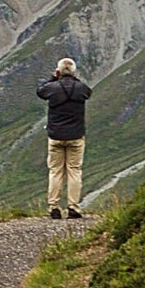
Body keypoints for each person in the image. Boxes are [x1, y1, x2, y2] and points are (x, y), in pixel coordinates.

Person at [36, 57, 92, 219]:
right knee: (74, 171)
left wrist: (54, 78)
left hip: (56, 136)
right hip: (75, 136)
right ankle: (73, 207)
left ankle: (54, 207)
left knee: (55, 171)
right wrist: (74, 78)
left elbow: (40, 91)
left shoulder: (52, 88)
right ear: (74, 72)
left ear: (58, 71)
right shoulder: (81, 88)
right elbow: (88, 92)